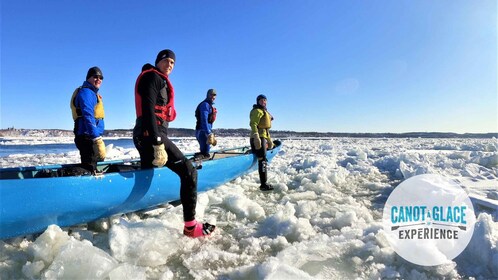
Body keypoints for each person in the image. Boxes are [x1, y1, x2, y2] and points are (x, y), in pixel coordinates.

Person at [133, 49, 215, 238]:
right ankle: (190, 227)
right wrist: (157, 142)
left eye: (173, 63)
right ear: (158, 61)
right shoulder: (153, 77)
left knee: (148, 171)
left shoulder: (158, 79)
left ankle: (136, 202)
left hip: (147, 135)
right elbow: (148, 111)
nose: (170, 65)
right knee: (189, 171)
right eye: (167, 61)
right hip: (150, 136)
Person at [70, 66, 106, 173]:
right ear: (88, 78)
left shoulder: (91, 93)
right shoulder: (87, 93)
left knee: (91, 164)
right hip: (87, 137)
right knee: (89, 168)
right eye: (95, 77)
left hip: (88, 136)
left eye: (101, 78)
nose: (98, 79)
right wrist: (96, 138)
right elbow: (88, 115)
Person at [249, 94, 275, 191]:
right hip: (258, 138)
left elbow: (265, 130)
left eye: (265, 100)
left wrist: (269, 140)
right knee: (262, 159)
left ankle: (264, 183)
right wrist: (256, 136)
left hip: (263, 137)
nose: (263, 102)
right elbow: (253, 124)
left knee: (263, 158)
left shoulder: (264, 111)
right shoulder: (257, 111)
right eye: (261, 100)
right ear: (258, 101)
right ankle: (263, 184)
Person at [194, 89, 218, 159]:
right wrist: (208, 133)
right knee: (205, 152)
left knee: (206, 153)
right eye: (211, 95)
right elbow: (204, 120)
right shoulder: (205, 105)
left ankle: (204, 157)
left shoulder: (209, 105)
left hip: (205, 130)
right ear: (208, 95)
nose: (213, 97)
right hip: (203, 131)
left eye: (214, 95)